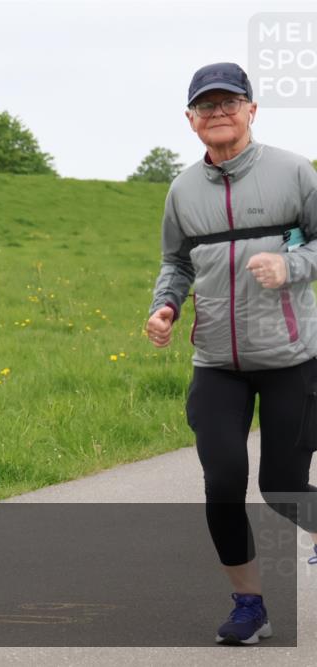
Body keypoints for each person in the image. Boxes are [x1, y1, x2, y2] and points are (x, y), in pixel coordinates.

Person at [146, 62, 317, 645]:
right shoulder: (182, 190)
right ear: (191, 120)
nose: (218, 113)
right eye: (206, 106)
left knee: (283, 487)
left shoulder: (295, 173)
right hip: (217, 362)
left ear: (251, 109)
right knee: (222, 481)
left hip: (293, 358)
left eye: (229, 102)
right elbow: (176, 262)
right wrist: (165, 307)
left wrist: (291, 265)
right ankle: (250, 605)